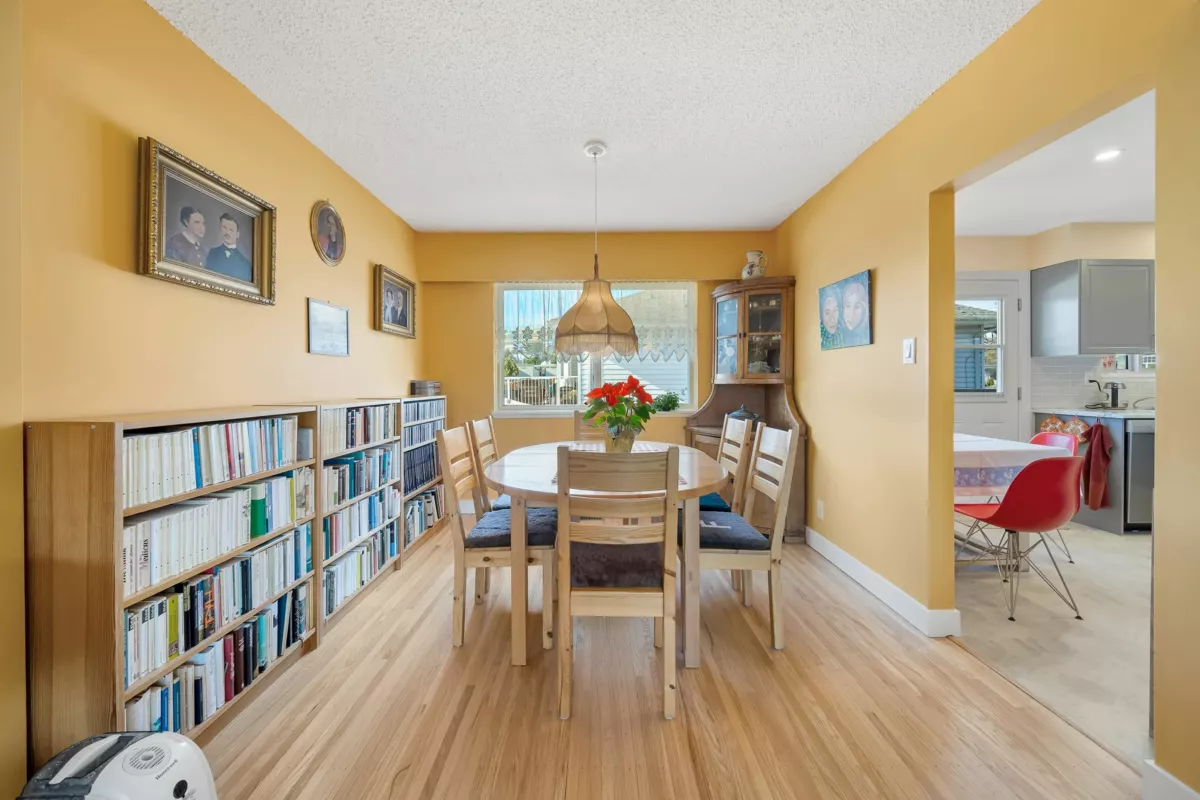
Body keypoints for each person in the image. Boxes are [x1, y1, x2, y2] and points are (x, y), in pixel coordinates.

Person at [204, 213, 252, 282]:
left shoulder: (245, 264)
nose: (227, 233)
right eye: (224, 228)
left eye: (231, 230)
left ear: (237, 234)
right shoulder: (213, 253)